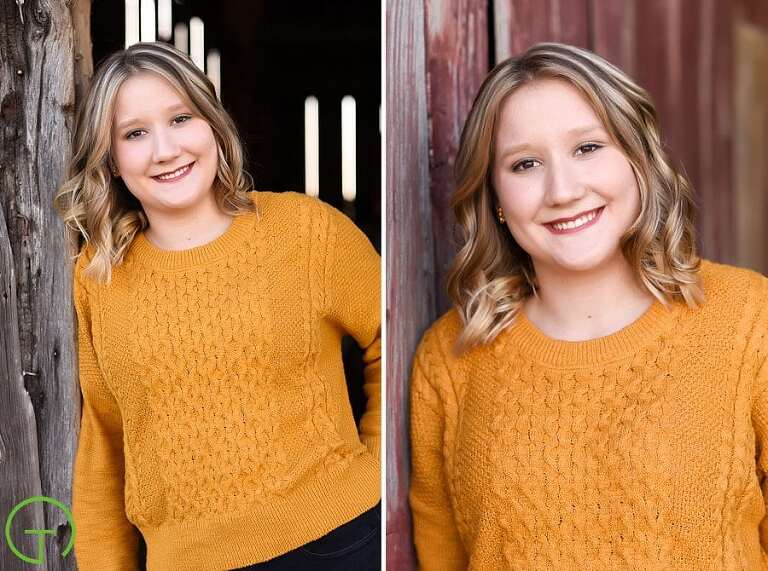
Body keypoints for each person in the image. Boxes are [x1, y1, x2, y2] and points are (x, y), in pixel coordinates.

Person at [409, 42, 768, 569]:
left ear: (637, 160)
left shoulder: (748, 319)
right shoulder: (449, 358)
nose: (562, 190)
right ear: (496, 199)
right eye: (525, 163)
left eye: (587, 148)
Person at [55, 42, 380, 571]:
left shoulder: (304, 232)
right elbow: (105, 437)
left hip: (336, 542)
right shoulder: (99, 277)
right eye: (134, 133)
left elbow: (392, 338)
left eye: (181, 118)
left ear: (212, 125)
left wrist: (374, 471)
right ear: (111, 161)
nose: (164, 149)